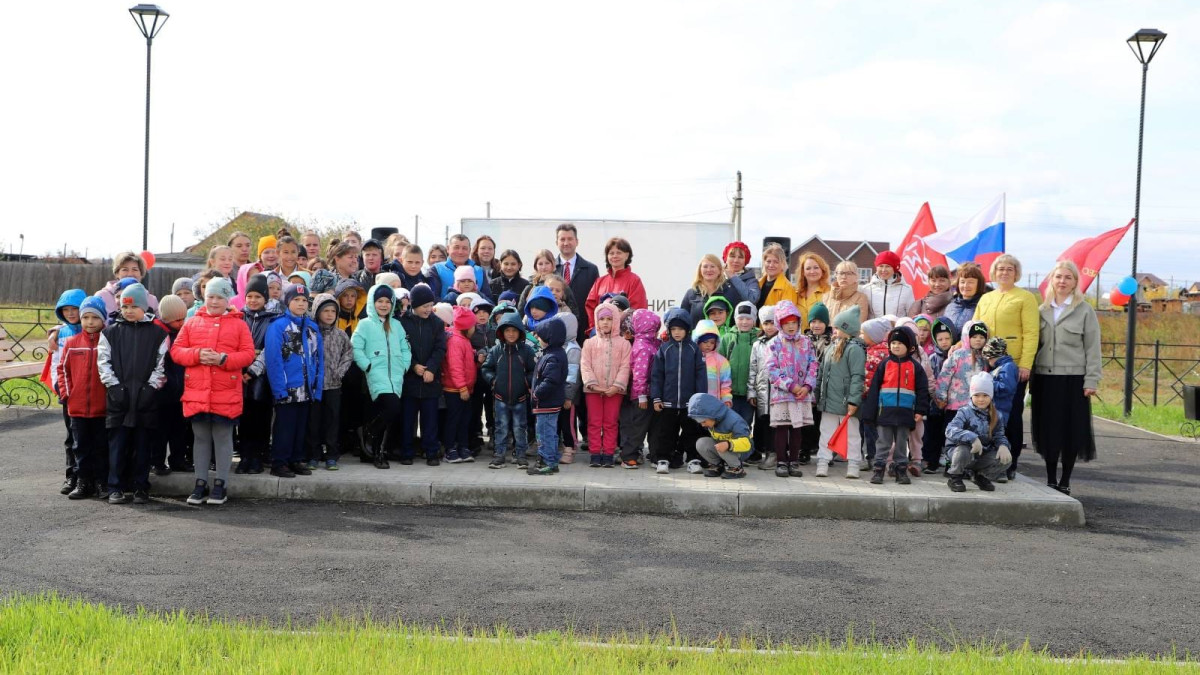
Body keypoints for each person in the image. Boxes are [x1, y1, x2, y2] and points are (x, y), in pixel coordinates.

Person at [170, 278, 255, 506]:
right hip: (197, 392)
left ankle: (221, 483)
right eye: (210, 297)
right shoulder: (192, 322)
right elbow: (176, 351)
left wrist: (224, 359)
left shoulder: (239, 325)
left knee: (223, 437)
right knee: (200, 438)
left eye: (219, 297)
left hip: (225, 393)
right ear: (204, 297)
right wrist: (197, 355)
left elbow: (248, 354)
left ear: (228, 299)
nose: (214, 301)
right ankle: (200, 483)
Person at [1032, 260, 1101, 496]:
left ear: (1075, 283)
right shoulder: (1041, 311)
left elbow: (1093, 348)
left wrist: (1091, 380)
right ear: (1052, 280)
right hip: (1045, 379)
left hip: (1073, 379)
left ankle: (1065, 480)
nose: (1062, 281)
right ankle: (1051, 479)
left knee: (1071, 430)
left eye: (1068, 277)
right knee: (1049, 430)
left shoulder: (1084, 310)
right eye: (1058, 277)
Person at [97, 283, 169, 504]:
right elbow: (103, 362)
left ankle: (140, 487)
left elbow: (161, 363)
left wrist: (151, 387)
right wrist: (114, 387)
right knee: (117, 446)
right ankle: (115, 487)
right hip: (119, 399)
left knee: (143, 446)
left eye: (133, 307)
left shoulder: (158, 333)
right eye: (124, 307)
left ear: (143, 307)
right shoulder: (110, 332)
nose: (128, 311)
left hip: (146, 399)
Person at [972, 254, 1039, 481]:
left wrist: (1025, 364)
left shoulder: (1025, 298)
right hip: (985, 365)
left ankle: (1009, 462)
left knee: (1011, 415)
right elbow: (974, 328)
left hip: (1012, 365)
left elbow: (1031, 333)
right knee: (984, 412)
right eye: (1000, 268)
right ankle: (986, 460)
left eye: (1010, 268)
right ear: (994, 272)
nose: (1004, 272)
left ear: (1016, 273)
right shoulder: (986, 298)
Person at [264, 283, 323, 478]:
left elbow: (318, 359)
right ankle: (279, 462)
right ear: (287, 302)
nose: (301, 303)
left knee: (300, 426)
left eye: (304, 300)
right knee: (285, 427)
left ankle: (296, 459)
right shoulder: (278, 326)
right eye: (296, 300)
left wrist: (317, 387)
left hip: (307, 387)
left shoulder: (312, 327)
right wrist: (279, 389)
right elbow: (274, 360)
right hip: (287, 387)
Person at [352, 284, 412, 470]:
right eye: (380, 301)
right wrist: (367, 365)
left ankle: (377, 451)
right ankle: (370, 435)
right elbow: (356, 347)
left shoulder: (397, 325)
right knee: (392, 407)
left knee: (385, 415)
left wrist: (404, 365)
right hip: (376, 373)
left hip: (396, 375)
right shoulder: (365, 324)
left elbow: (406, 348)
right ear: (372, 302)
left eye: (388, 301)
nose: (384, 305)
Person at [860, 327, 929, 485]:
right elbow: (874, 390)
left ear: (910, 347)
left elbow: (922, 390)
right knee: (883, 443)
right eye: (893, 343)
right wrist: (870, 413)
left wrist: (920, 410)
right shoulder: (884, 365)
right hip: (885, 412)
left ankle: (901, 471)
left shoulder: (915, 367)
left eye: (900, 343)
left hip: (906, 413)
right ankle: (878, 470)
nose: (896, 346)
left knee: (901, 444)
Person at [55, 296, 109, 499]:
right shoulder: (72, 343)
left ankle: (102, 482)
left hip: (102, 408)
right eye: (85, 317)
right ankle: (83, 482)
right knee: (80, 447)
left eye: (95, 317)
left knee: (102, 447)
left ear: (103, 319)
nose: (90, 322)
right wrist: (67, 394)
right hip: (77, 408)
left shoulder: (108, 342)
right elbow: (63, 370)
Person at [649, 308, 707, 474]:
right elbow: (657, 375)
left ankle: (693, 460)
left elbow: (701, 376)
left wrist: (700, 400)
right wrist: (656, 398)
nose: (677, 332)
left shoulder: (694, 350)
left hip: (690, 403)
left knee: (691, 432)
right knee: (666, 432)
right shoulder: (664, 349)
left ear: (687, 329)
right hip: (668, 402)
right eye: (673, 329)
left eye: (681, 329)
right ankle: (663, 459)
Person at [765, 300, 818, 478]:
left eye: (793, 322)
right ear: (779, 324)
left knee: (797, 428)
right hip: (782, 394)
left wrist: (807, 386)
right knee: (782, 427)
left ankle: (794, 461)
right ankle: (781, 461)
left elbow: (813, 364)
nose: (790, 326)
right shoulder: (774, 344)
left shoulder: (806, 342)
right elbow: (771, 369)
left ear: (799, 322)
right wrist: (790, 385)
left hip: (802, 394)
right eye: (786, 323)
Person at [814, 306, 866, 479]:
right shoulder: (831, 348)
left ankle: (854, 464)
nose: (834, 331)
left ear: (847, 328)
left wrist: (853, 400)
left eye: (837, 328)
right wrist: (817, 394)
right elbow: (822, 373)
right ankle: (823, 462)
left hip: (846, 402)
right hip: (829, 401)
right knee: (826, 432)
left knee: (852, 434)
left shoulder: (855, 349)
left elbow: (857, 376)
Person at [235, 274, 279, 474]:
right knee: (244, 420)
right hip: (240, 374)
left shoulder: (272, 319)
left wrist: (253, 370)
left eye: (258, 297)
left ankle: (258, 457)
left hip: (262, 377)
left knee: (261, 418)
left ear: (265, 298)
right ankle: (245, 456)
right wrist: (241, 368)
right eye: (249, 296)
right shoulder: (238, 317)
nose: (253, 300)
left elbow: (270, 348)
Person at [399, 283, 447, 466]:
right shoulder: (403, 322)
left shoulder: (436, 323)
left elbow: (440, 348)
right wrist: (413, 366)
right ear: (414, 304)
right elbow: (401, 347)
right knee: (407, 419)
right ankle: (407, 451)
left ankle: (431, 452)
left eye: (430, 305)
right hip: (410, 379)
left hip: (430, 380)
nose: (428, 309)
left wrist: (431, 369)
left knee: (430, 419)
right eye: (424, 306)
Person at [579, 300, 630, 467]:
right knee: (594, 422)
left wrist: (616, 386)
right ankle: (595, 453)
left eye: (609, 318)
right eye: (602, 319)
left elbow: (625, 366)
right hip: (593, 390)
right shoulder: (589, 343)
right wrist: (593, 385)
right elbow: (585, 365)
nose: (605, 322)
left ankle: (608, 453)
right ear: (597, 321)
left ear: (615, 320)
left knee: (610, 422)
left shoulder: (624, 344)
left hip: (614, 391)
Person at [483, 310, 536, 468]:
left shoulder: (526, 351)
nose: (511, 334)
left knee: (520, 428)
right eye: (507, 330)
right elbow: (486, 368)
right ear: (502, 332)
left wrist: (526, 382)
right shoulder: (496, 351)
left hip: (520, 397)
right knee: (501, 427)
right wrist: (493, 380)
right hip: (500, 397)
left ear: (520, 332)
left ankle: (520, 455)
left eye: (514, 330)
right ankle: (499, 455)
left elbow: (533, 371)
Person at [307, 293, 354, 470]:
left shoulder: (340, 335)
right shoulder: (310, 333)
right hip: (314, 386)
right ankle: (313, 454)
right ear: (317, 312)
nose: (329, 314)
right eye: (325, 311)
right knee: (314, 421)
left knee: (332, 420)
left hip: (334, 385)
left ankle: (332, 455)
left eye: (333, 311)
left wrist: (340, 372)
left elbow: (348, 354)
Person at [944, 372, 1011, 492]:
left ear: (991, 396)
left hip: (982, 453)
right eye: (977, 395)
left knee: (1005, 458)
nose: (981, 399)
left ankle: (980, 476)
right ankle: (955, 477)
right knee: (964, 449)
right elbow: (950, 430)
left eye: (985, 395)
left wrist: (1003, 445)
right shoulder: (964, 412)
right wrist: (972, 438)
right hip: (960, 453)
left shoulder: (997, 415)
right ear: (971, 396)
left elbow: (999, 435)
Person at [936, 320, 989, 470]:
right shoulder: (957, 355)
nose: (978, 340)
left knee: (970, 436)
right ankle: (950, 464)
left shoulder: (984, 358)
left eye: (981, 337)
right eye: (974, 337)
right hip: (954, 405)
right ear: (967, 337)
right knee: (953, 436)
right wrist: (941, 397)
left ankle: (967, 466)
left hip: (974, 407)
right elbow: (944, 377)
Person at [47, 288, 86, 493]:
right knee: (71, 437)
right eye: (66, 309)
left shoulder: (93, 330)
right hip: (69, 393)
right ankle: (72, 476)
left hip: (90, 393)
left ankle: (90, 477)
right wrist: (59, 387)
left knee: (91, 437)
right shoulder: (60, 333)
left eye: (75, 309)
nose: (70, 313)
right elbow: (56, 363)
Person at [617, 309, 661, 469]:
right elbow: (639, 374)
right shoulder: (642, 347)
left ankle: (655, 456)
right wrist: (641, 395)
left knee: (653, 427)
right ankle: (628, 457)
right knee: (638, 428)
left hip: (650, 393)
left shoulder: (649, 343)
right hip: (642, 396)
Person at [151, 294, 190, 476]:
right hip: (162, 392)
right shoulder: (158, 334)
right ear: (166, 318)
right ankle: (157, 462)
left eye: (183, 319)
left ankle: (178, 460)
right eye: (177, 320)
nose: (181, 323)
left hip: (180, 390)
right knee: (160, 430)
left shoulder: (182, 332)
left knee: (179, 429)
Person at [529, 316, 569, 475]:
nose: (538, 339)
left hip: (546, 403)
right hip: (548, 403)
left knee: (545, 433)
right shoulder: (553, 353)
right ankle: (550, 459)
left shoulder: (553, 357)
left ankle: (548, 462)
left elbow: (550, 381)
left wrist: (537, 394)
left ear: (549, 338)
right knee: (549, 433)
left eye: (540, 337)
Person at [441, 306, 477, 464]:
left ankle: (463, 446)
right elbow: (455, 367)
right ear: (466, 326)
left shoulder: (463, 340)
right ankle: (450, 448)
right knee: (454, 419)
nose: (475, 329)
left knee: (464, 420)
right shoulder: (456, 341)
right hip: (455, 389)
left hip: (465, 389)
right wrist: (462, 387)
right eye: (473, 326)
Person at [687, 392, 752, 479]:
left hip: (741, 450)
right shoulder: (713, 419)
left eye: (704, 421)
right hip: (723, 447)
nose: (702, 425)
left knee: (722, 446)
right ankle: (718, 465)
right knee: (701, 443)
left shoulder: (735, 420)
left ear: (712, 415)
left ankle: (736, 468)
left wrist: (729, 445)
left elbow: (747, 444)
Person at [921, 317, 956, 474]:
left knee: (949, 434)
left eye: (947, 338)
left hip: (953, 403)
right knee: (932, 433)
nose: (944, 342)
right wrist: (935, 397)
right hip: (935, 403)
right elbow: (930, 379)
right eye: (940, 339)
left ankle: (950, 463)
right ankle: (931, 462)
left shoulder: (957, 357)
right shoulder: (932, 358)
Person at [584, 237, 648, 321]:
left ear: (627, 255)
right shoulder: (600, 282)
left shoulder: (634, 281)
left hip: (625, 329)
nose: (615, 256)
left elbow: (638, 310)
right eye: (611, 253)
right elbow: (590, 307)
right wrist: (596, 326)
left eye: (619, 253)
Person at [554, 224, 600, 339]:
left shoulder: (591, 270)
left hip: (583, 332)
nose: (566, 243)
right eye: (562, 239)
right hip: (554, 330)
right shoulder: (550, 269)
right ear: (556, 242)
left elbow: (595, 303)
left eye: (570, 239)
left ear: (577, 241)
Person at [800, 302, 833, 463]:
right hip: (807, 385)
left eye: (820, 321)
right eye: (813, 321)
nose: (816, 325)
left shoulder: (832, 341)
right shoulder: (803, 340)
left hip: (826, 385)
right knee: (806, 420)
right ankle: (804, 449)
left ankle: (825, 451)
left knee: (824, 421)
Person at [720, 301, 759, 427]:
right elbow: (720, 362)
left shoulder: (759, 339)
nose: (744, 322)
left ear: (754, 320)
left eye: (748, 318)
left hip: (750, 393)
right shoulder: (727, 338)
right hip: (730, 393)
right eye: (740, 318)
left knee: (746, 423)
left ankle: (744, 440)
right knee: (729, 422)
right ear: (735, 319)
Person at [748, 305, 778, 469]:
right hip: (762, 392)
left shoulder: (782, 341)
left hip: (778, 392)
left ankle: (774, 453)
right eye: (766, 323)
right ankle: (764, 451)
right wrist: (751, 392)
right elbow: (753, 369)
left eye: (772, 323)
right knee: (763, 423)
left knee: (776, 424)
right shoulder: (757, 344)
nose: (769, 327)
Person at [680, 254, 745, 327]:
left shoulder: (731, 292)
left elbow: (738, 320)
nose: (709, 270)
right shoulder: (691, 294)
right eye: (705, 266)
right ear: (700, 270)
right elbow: (682, 322)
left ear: (720, 270)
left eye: (712, 266)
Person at [95, 252, 160, 316]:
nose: (130, 274)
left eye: (135, 269)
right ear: (117, 273)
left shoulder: (151, 300)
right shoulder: (102, 297)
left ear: (141, 274)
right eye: (125, 269)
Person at [860, 250, 915, 319]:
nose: (883, 270)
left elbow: (911, 316)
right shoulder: (865, 289)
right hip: (872, 326)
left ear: (894, 268)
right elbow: (862, 315)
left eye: (888, 266)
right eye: (881, 266)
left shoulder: (906, 289)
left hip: (897, 326)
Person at [693, 319, 732, 414]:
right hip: (695, 403)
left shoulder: (721, 360)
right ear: (698, 341)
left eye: (712, 342)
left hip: (714, 403)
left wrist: (726, 399)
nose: (708, 345)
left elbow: (725, 382)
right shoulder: (692, 358)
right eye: (705, 342)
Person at [433, 234, 486, 302]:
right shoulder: (437, 269)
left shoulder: (479, 271)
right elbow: (433, 298)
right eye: (456, 247)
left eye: (464, 248)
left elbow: (487, 298)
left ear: (469, 250)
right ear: (448, 249)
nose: (460, 252)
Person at [942, 262, 989, 332]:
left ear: (979, 284)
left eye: (970, 282)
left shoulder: (984, 306)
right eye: (962, 282)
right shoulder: (951, 306)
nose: (965, 286)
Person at [983, 337, 1018, 430]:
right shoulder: (1001, 367)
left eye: (989, 359)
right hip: (995, 410)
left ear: (994, 356)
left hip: (1000, 411)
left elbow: (1006, 387)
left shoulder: (1008, 367)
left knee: (997, 434)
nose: (988, 362)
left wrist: (988, 383)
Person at [794, 252, 832, 331]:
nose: (812, 271)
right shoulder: (796, 293)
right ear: (803, 272)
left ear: (822, 270)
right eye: (808, 268)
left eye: (816, 268)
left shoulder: (830, 292)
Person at [757, 243, 797, 308]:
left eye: (776, 262)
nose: (771, 265)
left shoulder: (788, 288)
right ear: (764, 263)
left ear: (783, 264)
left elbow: (788, 313)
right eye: (768, 261)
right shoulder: (757, 284)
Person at [721, 241, 760, 307]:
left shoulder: (751, 281)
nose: (736, 260)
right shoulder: (717, 276)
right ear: (726, 258)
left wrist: (733, 277)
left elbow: (753, 299)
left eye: (740, 257)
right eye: (732, 256)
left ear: (745, 261)